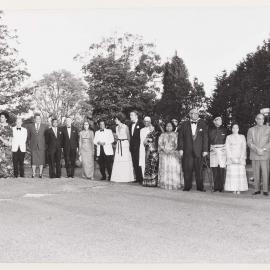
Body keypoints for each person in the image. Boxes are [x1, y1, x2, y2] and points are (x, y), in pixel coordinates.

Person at [178, 108, 208, 191]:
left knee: (199, 170)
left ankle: (200, 187)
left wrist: (205, 150)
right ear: (189, 114)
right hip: (187, 151)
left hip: (199, 151)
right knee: (187, 169)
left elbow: (205, 137)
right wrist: (180, 148)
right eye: (191, 113)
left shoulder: (203, 124)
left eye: (195, 113)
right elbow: (180, 137)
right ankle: (187, 186)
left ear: (198, 114)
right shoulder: (184, 124)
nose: (193, 115)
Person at [247, 113, 270, 196]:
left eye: (262, 119)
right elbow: (249, 142)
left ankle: (265, 190)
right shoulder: (251, 130)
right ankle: (256, 189)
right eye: (259, 119)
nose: (261, 120)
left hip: (265, 154)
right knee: (256, 173)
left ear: (264, 120)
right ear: (256, 119)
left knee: (265, 173)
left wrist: (263, 149)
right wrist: (257, 150)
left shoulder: (268, 128)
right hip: (255, 154)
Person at [224, 123, 248, 194]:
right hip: (231, 158)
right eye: (233, 128)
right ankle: (233, 188)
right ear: (232, 129)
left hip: (240, 158)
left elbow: (244, 147)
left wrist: (241, 157)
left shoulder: (242, 137)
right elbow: (227, 148)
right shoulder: (228, 137)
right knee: (233, 174)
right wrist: (231, 158)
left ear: (238, 129)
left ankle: (239, 189)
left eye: (236, 128)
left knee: (239, 174)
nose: (235, 129)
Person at [158, 121, 183, 190]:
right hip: (164, 154)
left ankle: (174, 184)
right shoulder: (162, 135)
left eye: (170, 126)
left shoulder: (176, 134)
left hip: (174, 154)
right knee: (165, 169)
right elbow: (160, 143)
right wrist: (164, 150)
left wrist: (172, 150)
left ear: (173, 127)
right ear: (165, 127)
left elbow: (178, 144)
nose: (168, 127)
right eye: (167, 126)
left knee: (173, 169)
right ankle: (165, 184)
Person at [111, 113, 134, 182]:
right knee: (118, 161)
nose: (115, 120)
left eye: (116, 119)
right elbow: (117, 137)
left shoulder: (125, 127)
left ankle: (126, 177)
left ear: (119, 119)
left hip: (125, 145)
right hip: (119, 144)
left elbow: (129, 137)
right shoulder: (116, 127)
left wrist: (130, 147)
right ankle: (118, 177)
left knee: (125, 160)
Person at [208, 115, 228, 192]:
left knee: (221, 169)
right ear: (214, 121)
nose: (220, 121)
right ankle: (216, 187)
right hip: (213, 150)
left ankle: (221, 187)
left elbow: (227, 141)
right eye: (218, 120)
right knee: (214, 169)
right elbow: (208, 141)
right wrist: (206, 151)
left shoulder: (225, 130)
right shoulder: (210, 130)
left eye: (221, 120)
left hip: (222, 151)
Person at [27, 113, 48, 178]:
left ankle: (40, 174)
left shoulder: (45, 126)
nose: (38, 119)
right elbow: (28, 137)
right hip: (33, 145)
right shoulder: (30, 126)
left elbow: (47, 137)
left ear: (40, 119)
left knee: (41, 160)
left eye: (39, 118)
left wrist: (46, 145)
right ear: (34, 119)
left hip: (42, 145)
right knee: (34, 160)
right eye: (36, 118)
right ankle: (33, 173)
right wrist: (29, 145)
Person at [129, 111, 144, 183]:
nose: (130, 117)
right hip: (132, 147)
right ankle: (137, 178)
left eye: (132, 115)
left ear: (136, 116)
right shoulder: (130, 124)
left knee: (139, 162)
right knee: (134, 162)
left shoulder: (141, 124)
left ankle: (141, 178)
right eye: (130, 115)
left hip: (139, 146)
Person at [0, 111, 13, 178]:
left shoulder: (9, 127)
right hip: (1, 147)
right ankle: (2, 175)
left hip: (8, 146)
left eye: (2, 117)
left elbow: (11, 136)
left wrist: (9, 142)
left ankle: (8, 175)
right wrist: (4, 141)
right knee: (1, 160)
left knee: (8, 160)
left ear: (6, 119)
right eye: (0, 117)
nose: (0, 118)